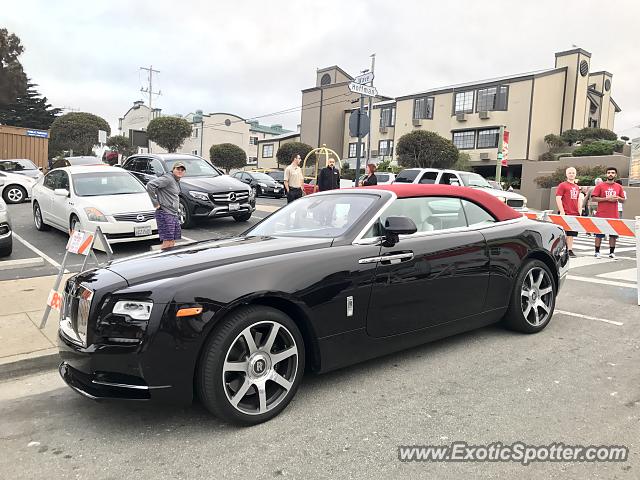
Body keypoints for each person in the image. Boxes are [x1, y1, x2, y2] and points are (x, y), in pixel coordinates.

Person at [147, 161, 186, 250]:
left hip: (173, 214)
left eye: (182, 170)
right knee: (167, 242)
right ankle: (162, 261)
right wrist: (155, 203)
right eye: (178, 169)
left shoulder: (176, 180)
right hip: (165, 213)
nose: (180, 171)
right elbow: (150, 185)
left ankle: (170, 261)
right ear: (173, 170)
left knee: (172, 241)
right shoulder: (168, 178)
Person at [591, 167, 625, 259]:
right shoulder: (600, 186)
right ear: (606, 174)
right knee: (599, 234)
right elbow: (593, 198)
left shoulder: (619, 187)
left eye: (613, 173)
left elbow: (623, 200)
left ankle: (611, 252)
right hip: (601, 214)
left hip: (614, 215)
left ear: (615, 175)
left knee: (613, 235)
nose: (610, 174)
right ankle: (597, 252)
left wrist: (618, 198)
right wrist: (607, 199)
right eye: (609, 172)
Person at [555, 167, 582, 258]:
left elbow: (578, 199)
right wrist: (562, 211)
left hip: (574, 213)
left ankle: (569, 250)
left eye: (573, 173)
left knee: (571, 234)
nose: (571, 174)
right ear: (566, 174)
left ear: (575, 174)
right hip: (565, 212)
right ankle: (561, 250)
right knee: (563, 233)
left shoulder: (577, 187)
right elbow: (558, 197)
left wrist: (579, 211)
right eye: (570, 173)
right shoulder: (562, 185)